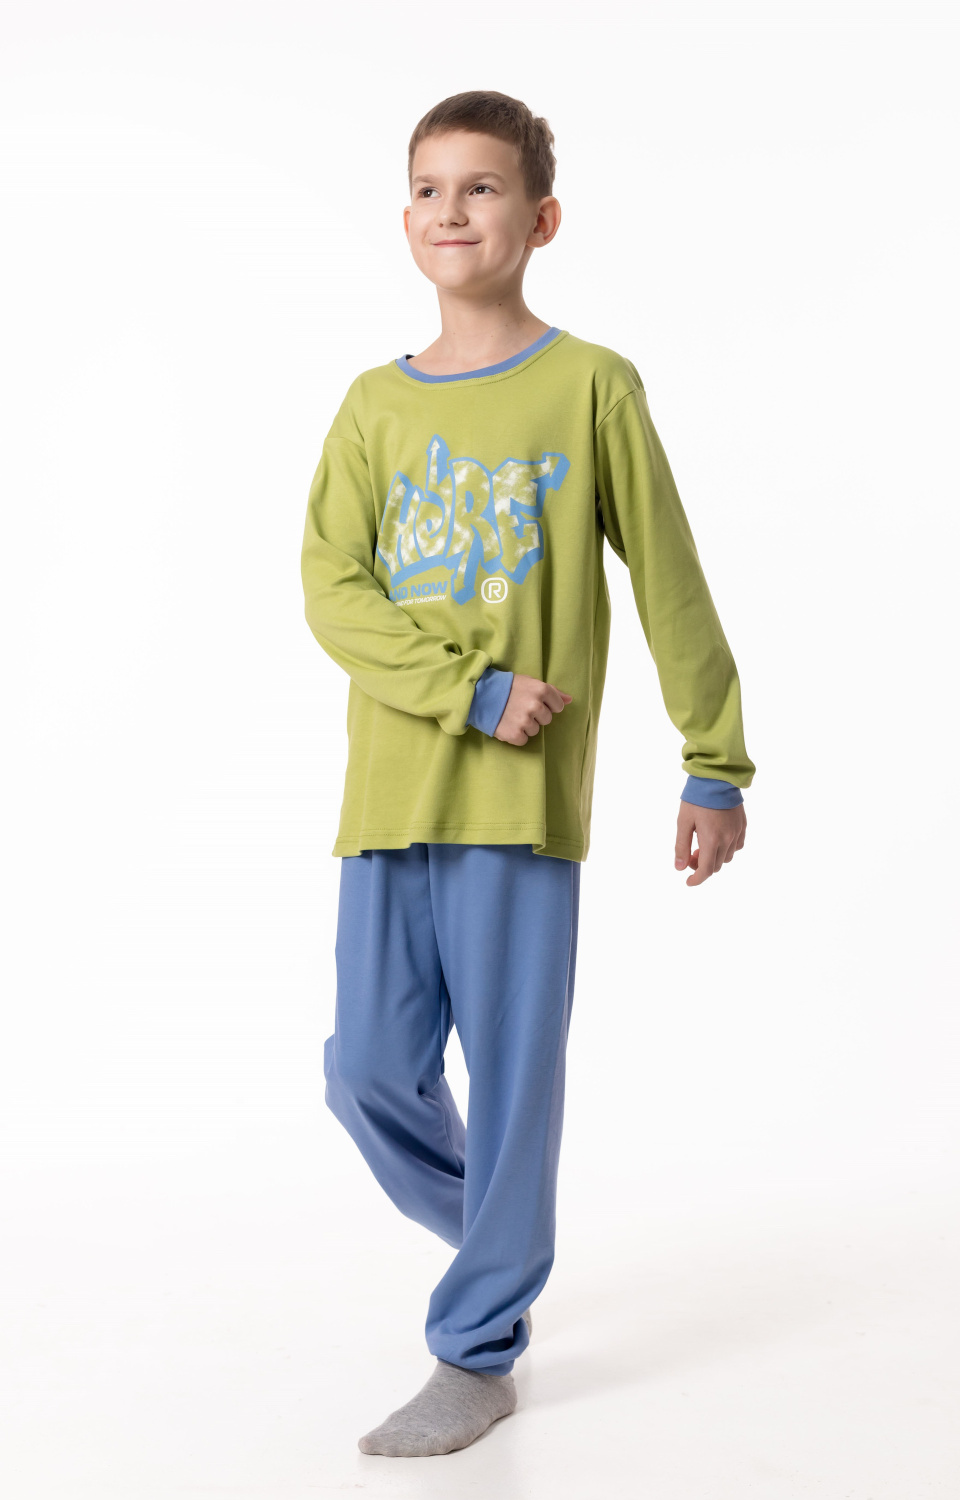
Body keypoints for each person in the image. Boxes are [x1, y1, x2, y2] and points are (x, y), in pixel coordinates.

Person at [300, 89, 755, 1459]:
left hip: (520, 810)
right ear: (405, 217)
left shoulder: (591, 386)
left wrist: (714, 762)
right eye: (429, 188)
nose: (453, 210)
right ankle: (508, 1233)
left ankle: (479, 1342)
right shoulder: (374, 405)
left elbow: (669, 580)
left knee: (510, 1079)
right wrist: (472, 690)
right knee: (366, 1071)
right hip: (390, 795)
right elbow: (332, 591)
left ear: (542, 218)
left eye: (484, 187)